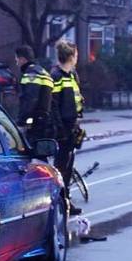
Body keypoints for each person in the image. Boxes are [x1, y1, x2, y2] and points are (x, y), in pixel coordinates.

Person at [50, 40, 85, 189]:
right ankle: (61, 201)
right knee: (61, 167)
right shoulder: (56, 76)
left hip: (72, 126)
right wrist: (60, 130)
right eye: (76, 55)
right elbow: (54, 105)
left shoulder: (71, 75)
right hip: (63, 129)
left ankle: (66, 199)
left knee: (68, 166)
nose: (77, 58)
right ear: (71, 57)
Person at [15, 45, 53, 143]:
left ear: (23, 59)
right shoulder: (42, 71)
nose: (16, 63)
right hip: (44, 119)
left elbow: (30, 98)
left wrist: (21, 121)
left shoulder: (31, 73)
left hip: (34, 121)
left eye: (17, 59)